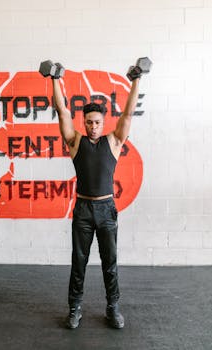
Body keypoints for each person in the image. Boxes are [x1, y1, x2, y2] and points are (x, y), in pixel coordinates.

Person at [52, 66, 140, 330]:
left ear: (103, 122)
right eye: (88, 122)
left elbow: (128, 113)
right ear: (84, 123)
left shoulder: (114, 142)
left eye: (97, 122)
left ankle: (113, 308)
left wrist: (136, 80)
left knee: (109, 263)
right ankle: (74, 309)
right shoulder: (75, 142)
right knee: (78, 262)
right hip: (83, 210)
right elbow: (62, 111)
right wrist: (55, 79)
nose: (92, 126)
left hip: (106, 210)